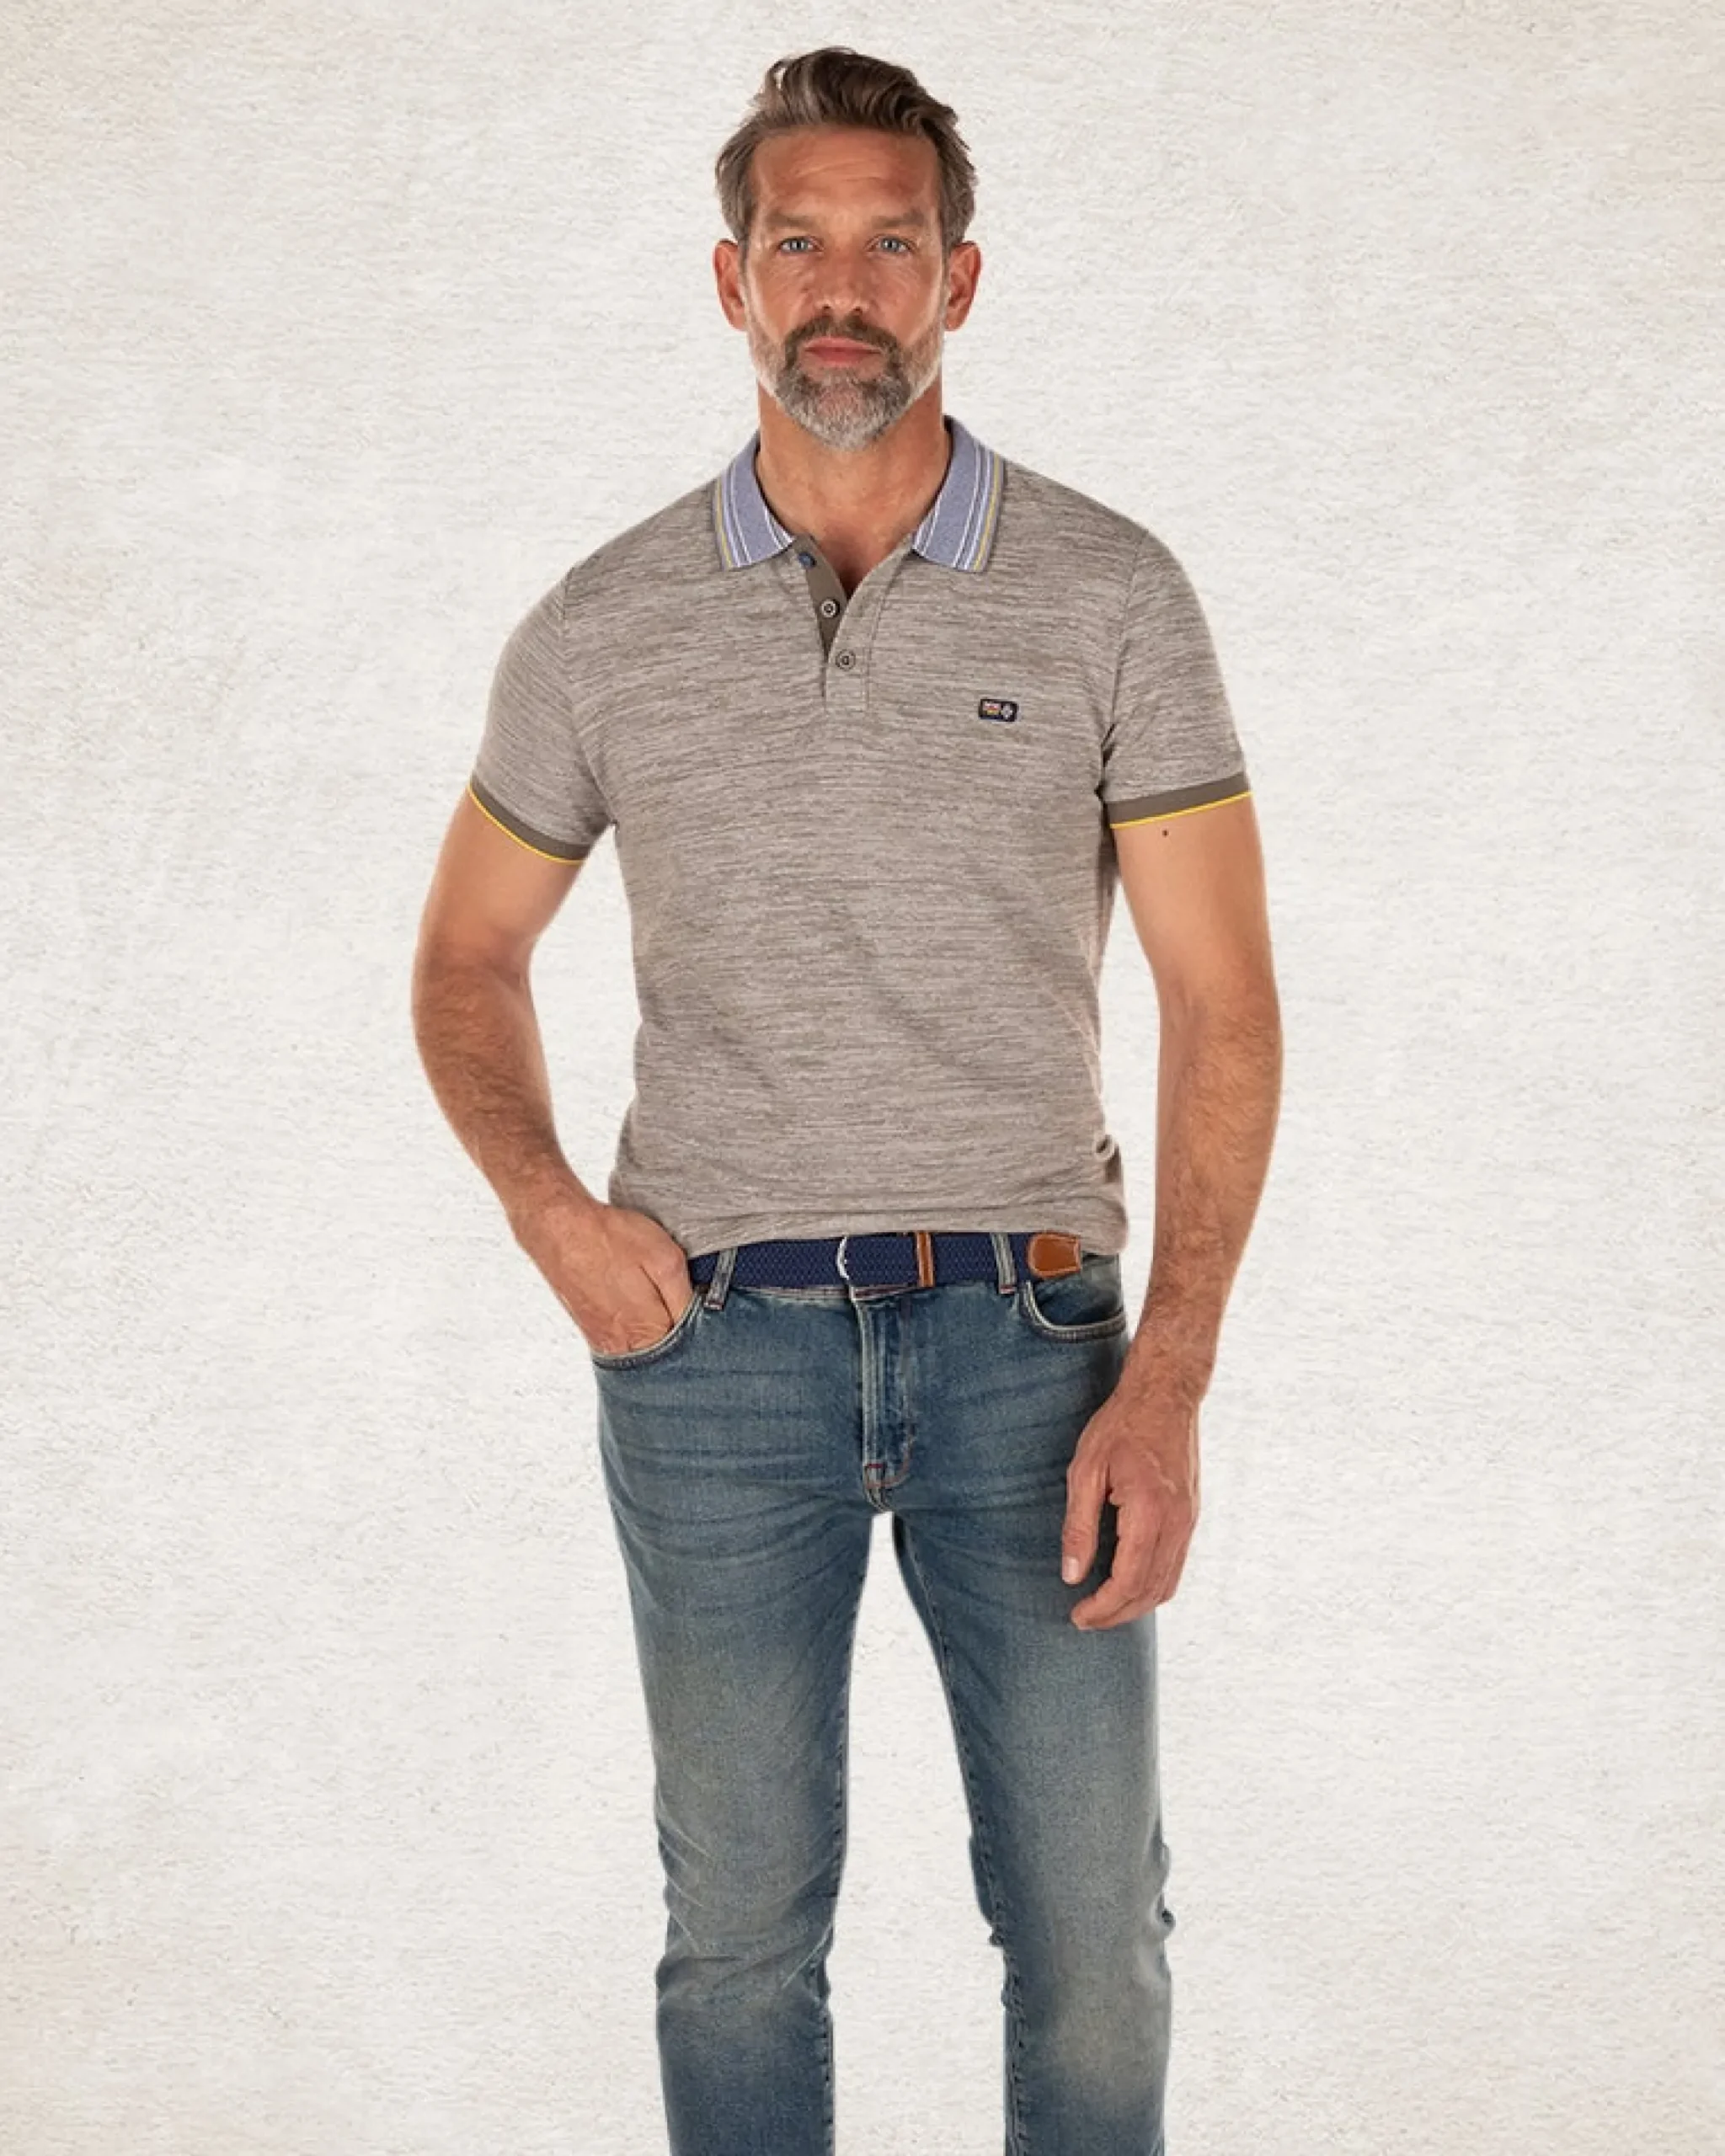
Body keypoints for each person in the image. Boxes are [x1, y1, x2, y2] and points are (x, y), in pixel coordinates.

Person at [411, 43, 1281, 2156]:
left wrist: (1165, 1378)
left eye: (889, 245)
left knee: (1092, 1936)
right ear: (731, 279)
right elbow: (463, 957)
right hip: (711, 1353)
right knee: (735, 1937)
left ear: (956, 280)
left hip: (1033, 1349)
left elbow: (1222, 1002)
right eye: (796, 242)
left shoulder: (1109, 594)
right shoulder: (603, 625)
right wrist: (549, 1210)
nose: (841, 288)